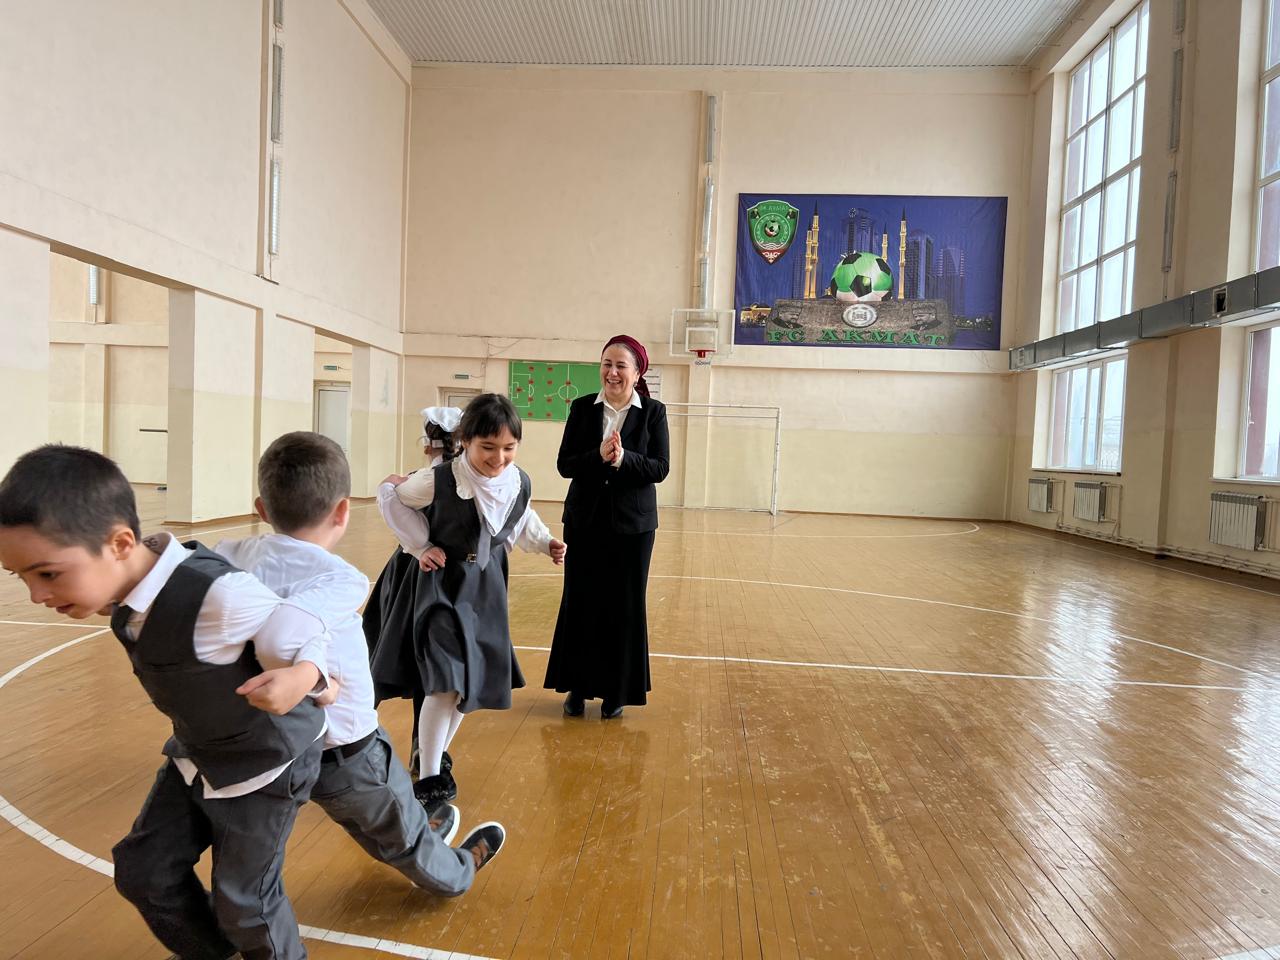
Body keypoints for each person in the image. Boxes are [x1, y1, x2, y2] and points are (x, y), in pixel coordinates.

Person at [0, 445, 331, 960]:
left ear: (120, 543)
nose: (35, 595)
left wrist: (307, 674)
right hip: (199, 752)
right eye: (19, 576)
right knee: (144, 871)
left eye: (47, 574)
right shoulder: (125, 585)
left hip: (266, 763)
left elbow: (309, 625)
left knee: (246, 903)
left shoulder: (220, 594)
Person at [216, 431, 503, 896]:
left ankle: (240, 913)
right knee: (398, 835)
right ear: (343, 512)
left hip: (266, 746)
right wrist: (315, 679)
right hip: (345, 746)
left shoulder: (228, 557)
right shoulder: (342, 580)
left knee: (257, 863)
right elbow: (291, 631)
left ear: (261, 509)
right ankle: (455, 869)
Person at [366, 393, 567, 808]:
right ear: (466, 442)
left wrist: (545, 542)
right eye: (488, 447)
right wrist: (420, 546)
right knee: (446, 678)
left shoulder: (518, 481)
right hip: (441, 587)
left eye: (509, 448)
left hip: (484, 588)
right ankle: (430, 777)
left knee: (466, 685)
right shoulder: (438, 480)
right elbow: (392, 498)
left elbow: (521, 518)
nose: (499, 458)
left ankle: (433, 756)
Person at [544, 335, 669, 719]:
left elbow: (660, 467)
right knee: (581, 601)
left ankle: (617, 691)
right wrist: (598, 455)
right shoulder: (582, 408)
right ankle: (577, 687)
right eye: (606, 364)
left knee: (624, 606)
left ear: (637, 373)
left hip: (634, 528)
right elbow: (565, 464)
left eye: (620, 366)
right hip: (584, 521)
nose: (612, 373)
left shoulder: (653, 412)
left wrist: (624, 459)